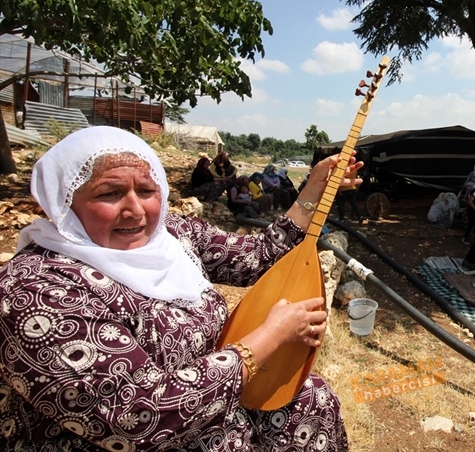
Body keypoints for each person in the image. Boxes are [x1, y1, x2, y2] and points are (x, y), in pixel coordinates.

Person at [0, 126, 355, 450]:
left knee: (313, 398)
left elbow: (257, 257)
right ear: (63, 201)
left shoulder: (169, 235)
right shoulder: (35, 290)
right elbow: (136, 417)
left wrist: (313, 191)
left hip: (217, 405)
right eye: (110, 193)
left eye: (146, 190)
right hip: (150, 435)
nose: (135, 210)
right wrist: (270, 337)